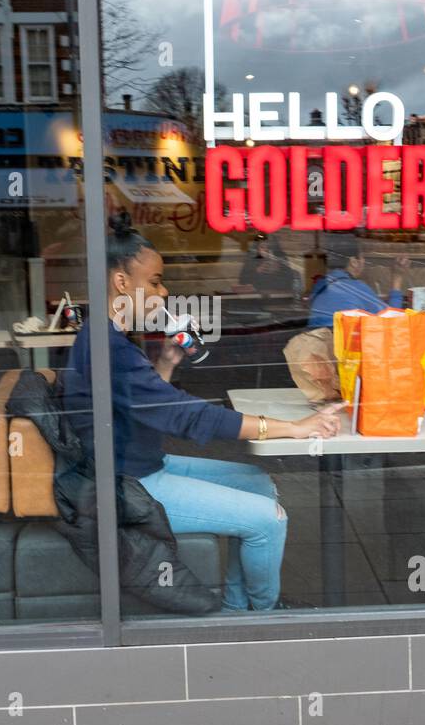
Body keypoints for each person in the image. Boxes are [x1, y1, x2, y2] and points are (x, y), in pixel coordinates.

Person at [63, 216, 343, 611]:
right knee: (269, 519)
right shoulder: (110, 348)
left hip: (141, 466)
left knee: (259, 483)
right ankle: (264, 613)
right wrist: (294, 428)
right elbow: (189, 417)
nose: (163, 292)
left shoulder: (107, 338)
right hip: (128, 486)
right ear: (122, 283)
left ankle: (237, 605)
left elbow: (145, 407)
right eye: (155, 281)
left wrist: (167, 363)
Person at [307, 232, 409, 328]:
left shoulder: (321, 284)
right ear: (353, 262)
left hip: (319, 342)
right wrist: (397, 278)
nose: (363, 261)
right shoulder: (355, 287)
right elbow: (393, 319)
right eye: (362, 257)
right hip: (342, 344)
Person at [239, 232, 300, 297]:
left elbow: (290, 282)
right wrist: (257, 271)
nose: (266, 250)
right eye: (262, 247)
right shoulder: (251, 260)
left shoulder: (280, 259)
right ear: (257, 249)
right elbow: (243, 281)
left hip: (279, 297)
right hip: (256, 298)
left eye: (269, 247)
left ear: (274, 248)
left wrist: (278, 270)